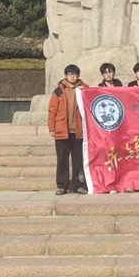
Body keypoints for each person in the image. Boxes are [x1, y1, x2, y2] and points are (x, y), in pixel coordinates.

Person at [48, 64, 89, 195]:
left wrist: (85, 91)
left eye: (74, 74)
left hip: (79, 131)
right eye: (70, 74)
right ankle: (62, 185)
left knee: (79, 160)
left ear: (78, 75)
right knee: (62, 160)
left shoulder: (84, 90)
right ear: (66, 76)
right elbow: (52, 110)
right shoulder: (58, 91)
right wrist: (52, 127)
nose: (72, 76)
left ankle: (79, 185)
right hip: (62, 130)